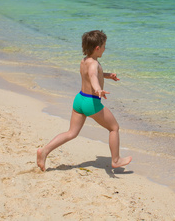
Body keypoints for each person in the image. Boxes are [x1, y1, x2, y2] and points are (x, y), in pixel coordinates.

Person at [37, 30, 132, 171]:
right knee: (114, 128)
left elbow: (91, 74)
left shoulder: (84, 61)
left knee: (71, 133)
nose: (105, 49)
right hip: (91, 102)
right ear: (97, 48)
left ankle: (44, 151)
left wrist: (107, 75)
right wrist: (98, 89)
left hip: (80, 99)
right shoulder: (94, 64)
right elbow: (93, 77)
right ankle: (116, 160)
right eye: (104, 46)